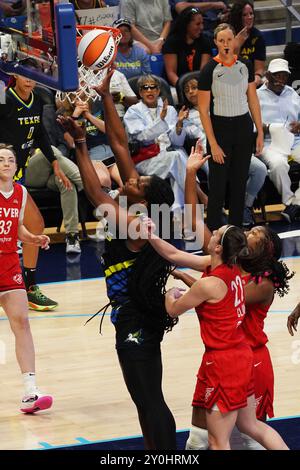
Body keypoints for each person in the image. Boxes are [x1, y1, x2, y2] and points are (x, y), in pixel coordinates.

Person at [58, 69, 179, 450]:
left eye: (138, 182)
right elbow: (120, 144)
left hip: (136, 315)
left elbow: (95, 193)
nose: (132, 178)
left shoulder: (135, 223)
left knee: (149, 399)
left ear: (146, 199)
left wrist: (79, 145)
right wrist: (106, 95)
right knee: (145, 399)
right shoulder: (139, 205)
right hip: (133, 312)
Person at [143, 215, 288, 449]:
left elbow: (188, 303)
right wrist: (151, 235)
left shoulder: (258, 283)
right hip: (239, 354)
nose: (249, 233)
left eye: (255, 235)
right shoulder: (233, 270)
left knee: (222, 440)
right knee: (245, 429)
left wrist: (172, 293)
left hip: (229, 360)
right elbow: (176, 255)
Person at [0, 63, 68, 309]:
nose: (29, 80)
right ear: (14, 76)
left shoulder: (39, 100)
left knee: (35, 224)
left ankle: (28, 286)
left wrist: (55, 162)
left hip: (17, 175)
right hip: (2, 174)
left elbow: (40, 134)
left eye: (33, 76)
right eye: (24, 75)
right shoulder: (4, 98)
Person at [0, 143, 53, 413]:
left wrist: (32, 238)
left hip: (8, 263)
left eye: (10, 159)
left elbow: (16, 227)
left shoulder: (20, 192)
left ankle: (30, 391)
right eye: (1, 160)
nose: (7, 163)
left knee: (22, 323)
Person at [198, 23, 264, 231]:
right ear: (216, 43)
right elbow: (203, 110)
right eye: (221, 41)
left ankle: (236, 233)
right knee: (218, 187)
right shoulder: (209, 69)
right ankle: (214, 234)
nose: (226, 44)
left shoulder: (245, 65)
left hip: (244, 127)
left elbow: (253, 100)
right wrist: (214, 144)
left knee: (239, 183)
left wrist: (259, 132)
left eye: (229, 40)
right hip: (220, 129)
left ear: (235, 40)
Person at [181, 74, 267, 226]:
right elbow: (186, 139)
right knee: (216, 175)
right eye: (187, 90)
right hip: (209, 153)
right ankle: (218, 213)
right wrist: (179, 124)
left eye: (194, 87)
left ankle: (244, 206)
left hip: (233, 148)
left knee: (260, 169)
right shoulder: (186, 115)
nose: (191, 92)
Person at [123, 74, 190, 215]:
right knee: (177, 159)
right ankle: (196, 198)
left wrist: (179, 125)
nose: (149, 91)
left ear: (158, 90)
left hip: (168, 154)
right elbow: (141, 137)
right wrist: (160, 119)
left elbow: (177, 141)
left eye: (153, 87)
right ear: (140, 92)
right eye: (145, 88)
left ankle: (177, 213)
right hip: (145, 159)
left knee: (177, 161)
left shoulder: (170, 109)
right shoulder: (133, 111)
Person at [257, 58, 300, 224]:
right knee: (278, 165)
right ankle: (289, 202)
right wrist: (267, 127)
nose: (280, 80)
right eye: (277, 76)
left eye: (284, 76)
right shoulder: (257, 96)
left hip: (293, 140)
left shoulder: (292, 94)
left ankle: (296, 203)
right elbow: (250, 124)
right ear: (268, 75)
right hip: (270, 142)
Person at [162, 7, 211, 87]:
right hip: (176, 86)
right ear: (186, 24)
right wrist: (184, 89)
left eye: (202, 23)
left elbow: (203, 72)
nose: (202, 27)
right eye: (198, 24)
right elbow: (171, 74)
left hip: (198, 86)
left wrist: (198, 88)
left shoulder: (205, 42)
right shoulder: (171, 43)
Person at [229, 0, 266, 87]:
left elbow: (259, 69)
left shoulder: (258, 36)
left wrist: (257, 77)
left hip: (251, 81)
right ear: (237, 17)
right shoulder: (228, 34)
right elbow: (228, 65)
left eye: (251, 13)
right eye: (245, 15)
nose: (250, 17)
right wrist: (237, 44)